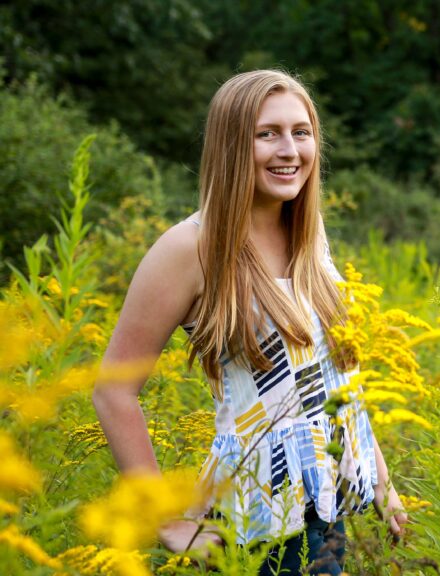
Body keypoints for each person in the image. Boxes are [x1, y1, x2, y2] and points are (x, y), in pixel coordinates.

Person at [92, 69, 407, 575]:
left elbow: (334, 377)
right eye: (268, 134)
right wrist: (165, 522)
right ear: (231, 144)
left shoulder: (309, 239)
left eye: (301, 132)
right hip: (247, 532)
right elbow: (112, 391)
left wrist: (380, 482)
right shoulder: (190, 248)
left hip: (322, 517)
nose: (290, 150)